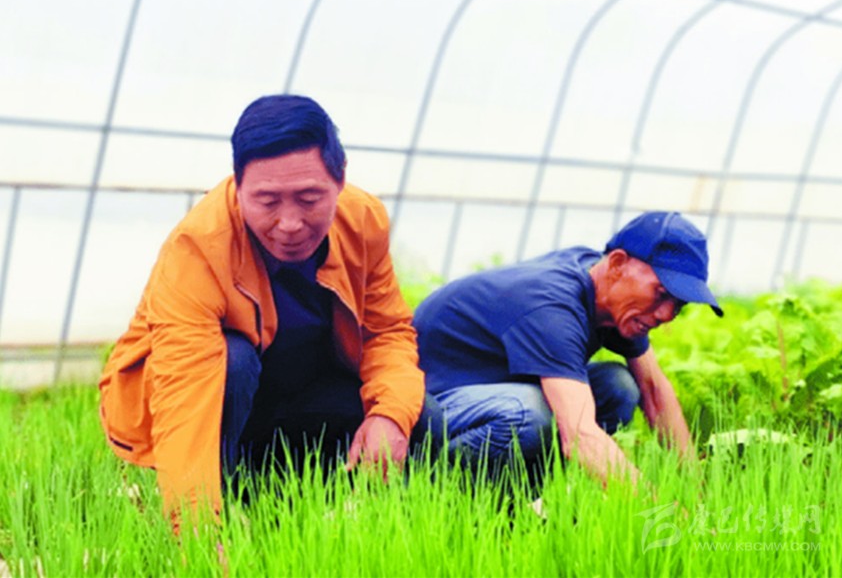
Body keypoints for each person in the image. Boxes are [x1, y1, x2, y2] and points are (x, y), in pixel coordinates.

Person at [99, 95, 426, 527]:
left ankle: (306, 502)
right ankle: (228, 497)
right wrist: (195, 531)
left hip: (300, 393)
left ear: (341, 178)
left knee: (422, 418)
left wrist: (389, 416)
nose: (289, 224)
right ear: (237, 185)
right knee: (231, 361)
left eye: (309, 198)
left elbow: (386, 334)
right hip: (220, 401)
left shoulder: (363, 220)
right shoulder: (197, 248)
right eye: (267, 201)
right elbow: (184, 392)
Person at [413, 211, 723, 489]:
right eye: (661, 294)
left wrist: (696, 493)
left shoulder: (607, 288)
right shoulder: (552, 306)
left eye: (678, 305)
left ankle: (525, 494)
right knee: (529, 412)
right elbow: (579, 436)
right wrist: (666, 516)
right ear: (617, 264)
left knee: (617, 388)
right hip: (427, 406)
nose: (666, 314)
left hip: (491, 396)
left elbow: (653, 391)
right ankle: (429, 489)